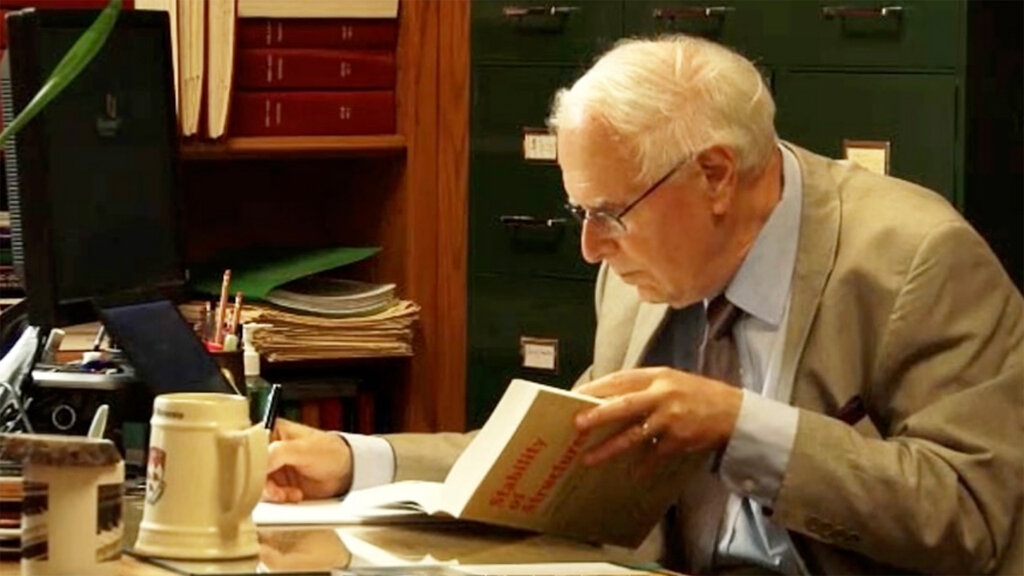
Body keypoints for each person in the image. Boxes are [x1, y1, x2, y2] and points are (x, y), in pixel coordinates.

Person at [262, 35, 1023, 575]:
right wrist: (360, 460)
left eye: (609, 213)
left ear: (716, 176)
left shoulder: (917, 260)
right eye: (580, 213)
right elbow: (561, 454)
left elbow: (971, 518)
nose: (591, 248)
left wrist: (740, 427)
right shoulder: (640, 276)